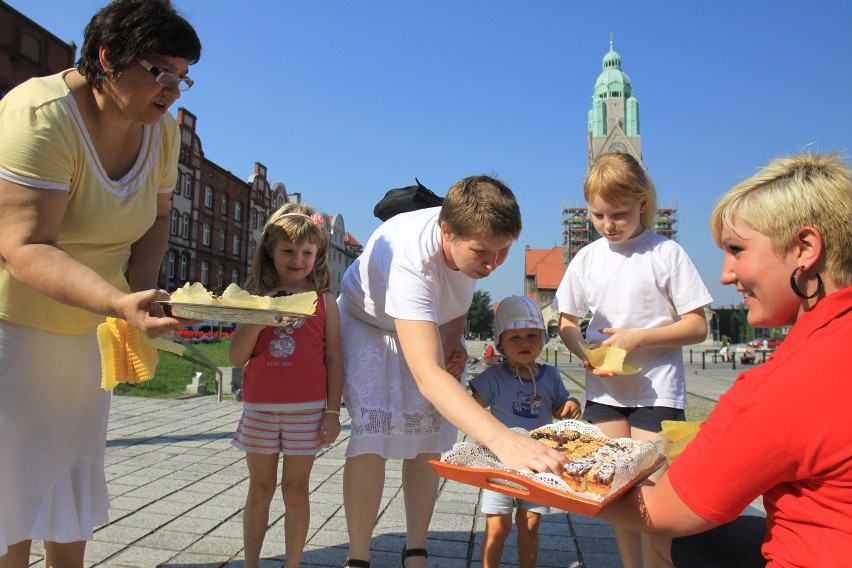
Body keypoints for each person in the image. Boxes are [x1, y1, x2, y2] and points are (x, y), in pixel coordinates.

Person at [0, 1, 201, 565]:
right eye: (161, 71)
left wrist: (141, 294)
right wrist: (118, 300)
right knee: (8, 481)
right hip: (12, 325)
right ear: (109, 58)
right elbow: (24, 245)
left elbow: (159, 218)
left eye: (183, 76)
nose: (174, 91)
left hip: (88, 330)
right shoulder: (40, 115)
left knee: (72, 469)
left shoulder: (160, 130)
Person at [599, 152, 852, 567]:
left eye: (736, 250)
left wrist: (550, 478)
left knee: (669, 538)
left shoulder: (789, 381)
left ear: (805, 248)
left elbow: (664, 512)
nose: (725, 275)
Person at [337, 175, 569, 568]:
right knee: (373, 436)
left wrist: (454, 339)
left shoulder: (473, 247)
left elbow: (458, 294)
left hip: (423, 324)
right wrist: (505, 442)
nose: (493, 264)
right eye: (482, 252)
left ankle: (416, 547)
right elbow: (428, 376)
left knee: (427, 439)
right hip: (369, 324)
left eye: (504, 251)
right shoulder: (412, 258)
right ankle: (359, 555)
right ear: (447, 232)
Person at [553, 153, 712, 568]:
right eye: (598, 215)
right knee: (617, 490)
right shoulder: (588, 257)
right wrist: (584, 353)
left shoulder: (666, 252)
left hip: (657, 387)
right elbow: (567, 321)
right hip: (606, 388)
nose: (608, 224)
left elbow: (697, 326)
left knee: (654, 492)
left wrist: (639, 338)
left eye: (618, 214)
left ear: (642, 203)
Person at [229, 203, 343, 568]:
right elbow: (235, 357)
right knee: (260, 489)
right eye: (288, 251)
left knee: (296, 490)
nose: (297, 260)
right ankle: (252, 563)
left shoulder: (324, 302)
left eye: (306, 252)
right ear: (271, 252)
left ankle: (292, 563)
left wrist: (332, 412)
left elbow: (333, 360)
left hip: (307, 412)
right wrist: (259, 318)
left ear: (317, 254)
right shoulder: (254, 299)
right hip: (261, 408)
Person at [468, 295, 581, 568]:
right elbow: (468, 407)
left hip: (538, 465)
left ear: (542, 338)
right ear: (500, 344)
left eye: (532, 335)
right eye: (514, 337)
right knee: (497, 527)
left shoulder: (551, 376)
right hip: (501, 464)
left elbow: (559, 407)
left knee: (530, 527)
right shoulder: (493, 377)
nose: (524, 343)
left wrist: (571, 404)